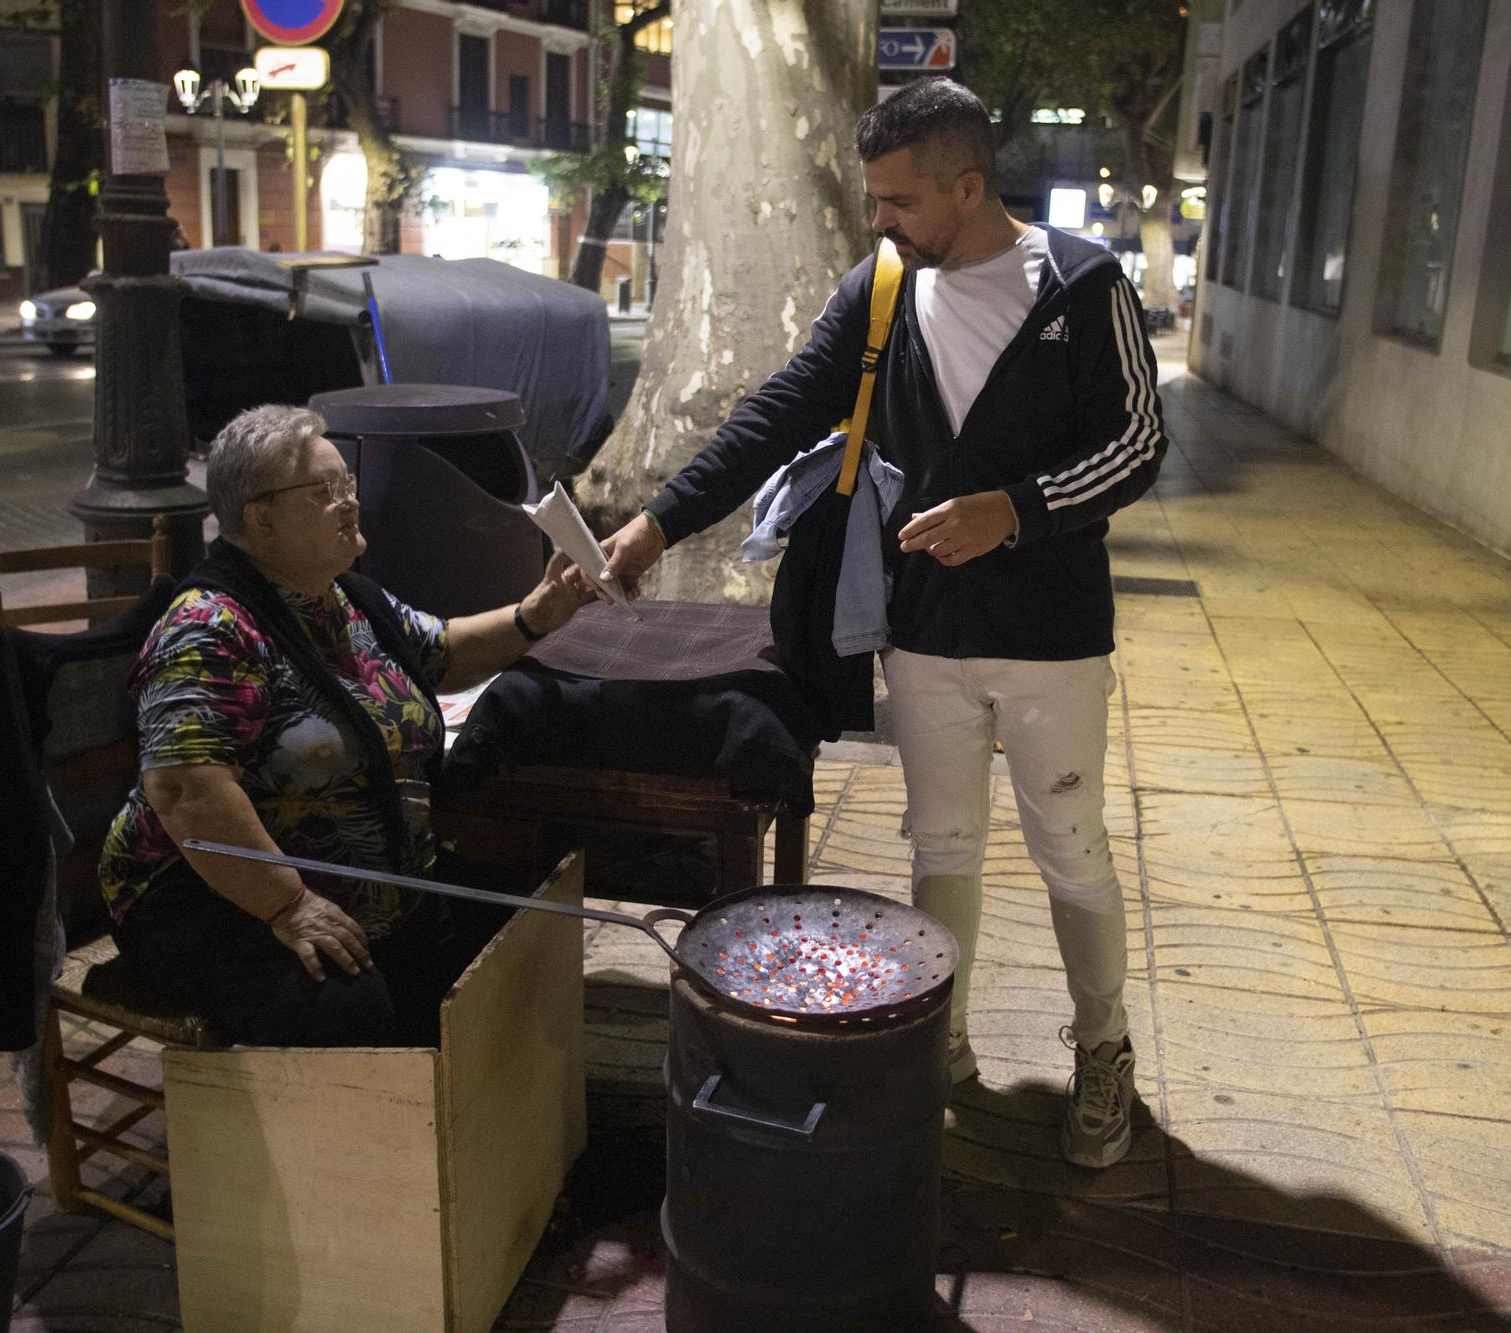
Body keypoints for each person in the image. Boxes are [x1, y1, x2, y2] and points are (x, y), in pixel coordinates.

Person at [594, 77, 1167, 1169]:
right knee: (941, 844)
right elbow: (777, 407)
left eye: (898, 200)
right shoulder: (884, 285)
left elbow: (1137, 442)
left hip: (1048, 633)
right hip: (921, 628)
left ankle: (1102, 1048)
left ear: (966, 184)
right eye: (872, 201)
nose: (880, 222)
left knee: (1068, 846)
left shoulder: (1082, 285)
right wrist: (658, 524)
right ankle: (936, 1035)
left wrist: (1016, 510)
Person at [97, 404, 595, 1048]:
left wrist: (537, 613)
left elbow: (440, 650)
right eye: (323, 492)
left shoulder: (344, 595)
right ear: (260, 515)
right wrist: (288, 904)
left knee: (509, 936)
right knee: (355, 1013)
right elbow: (186, 790)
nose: (348, 502)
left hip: (365, 882)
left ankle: (474, 1130)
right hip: (212, 894)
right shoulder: (211, 627)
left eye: (347, 485)